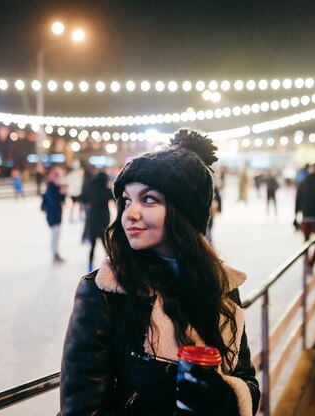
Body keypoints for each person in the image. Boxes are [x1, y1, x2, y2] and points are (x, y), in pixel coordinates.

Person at [60, 129, 260, 416]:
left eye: (149, 199)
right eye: (127, 200)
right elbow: (83, 408)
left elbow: (247, 380)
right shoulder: (106, 291)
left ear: (185, 212)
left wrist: (226, 399)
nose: (130, 213)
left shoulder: (221, 287)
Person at [81, 171, 115, 272]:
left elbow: (83, 198)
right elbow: (115, 199)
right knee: (106, 245)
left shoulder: (91, 189)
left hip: (93, 218)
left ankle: (90, 265)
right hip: (103, 219)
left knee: (93, 245)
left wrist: (88, 203)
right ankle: (111, 264)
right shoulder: (106, 190)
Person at [295, 163, 315, 268]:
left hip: (306, 216)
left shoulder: (304, 182)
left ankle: (307, 259)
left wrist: (295, 216)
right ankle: (311, 262)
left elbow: (298, 199)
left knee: (306, 241)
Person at [41, 166, 66, 263]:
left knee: (57, 235)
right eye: (57, 176)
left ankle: (56, 253)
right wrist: (61, 194)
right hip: (52, 215)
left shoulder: (56, 187)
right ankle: (54, 254)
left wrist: (62, 194)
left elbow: (61, 201)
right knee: (55, 235)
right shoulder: (51, 187)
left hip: (57, 215)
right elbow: (54, 202)